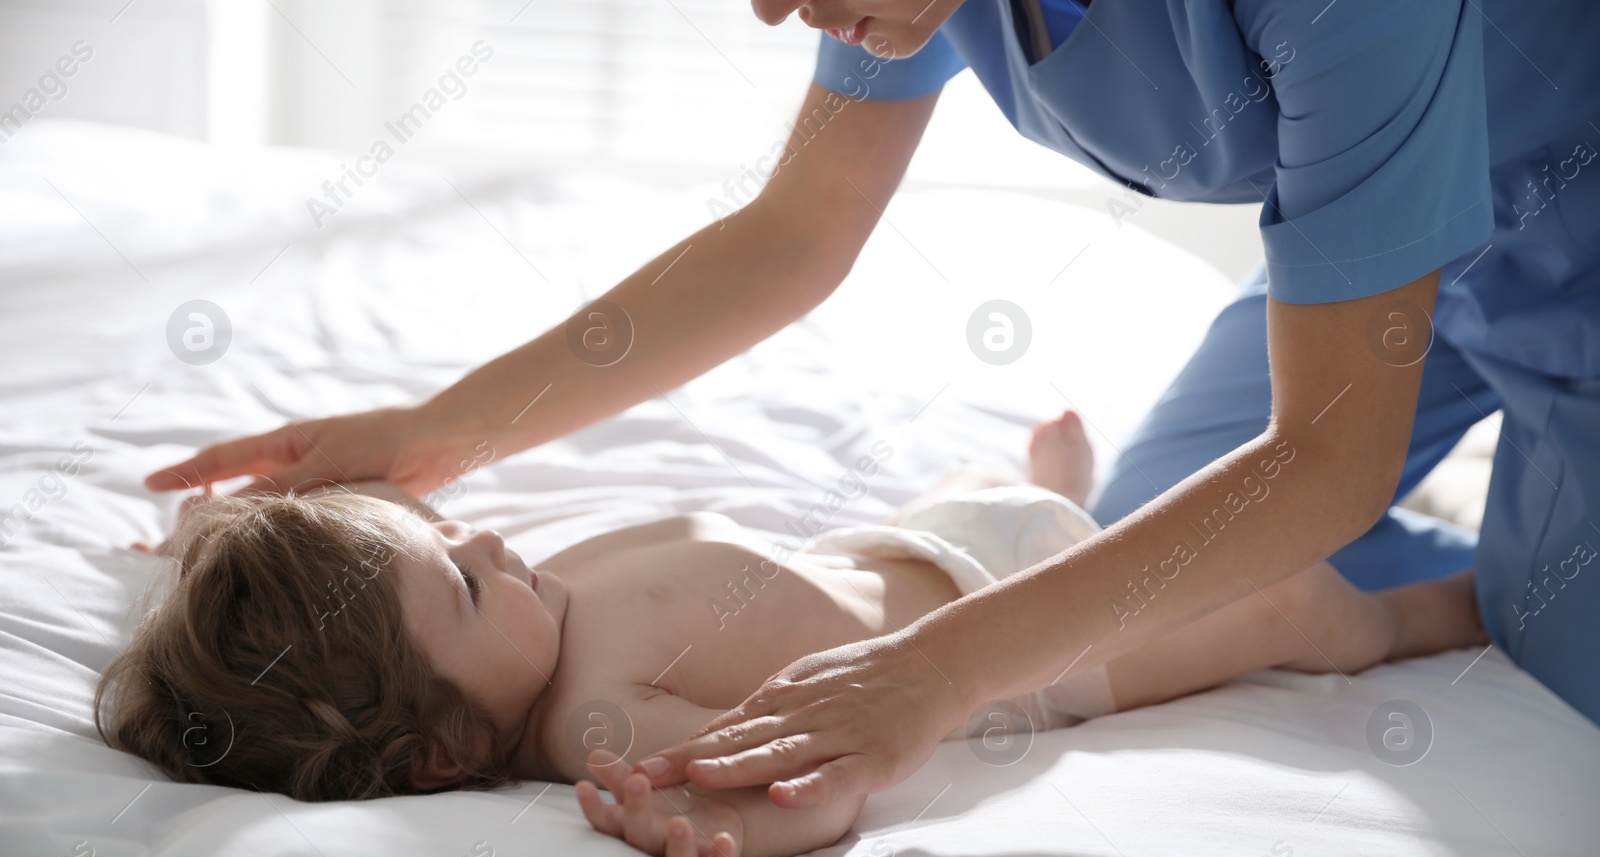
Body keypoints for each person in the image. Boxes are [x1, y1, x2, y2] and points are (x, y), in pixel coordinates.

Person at [146, 0, 1600, 812]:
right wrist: (433, 438)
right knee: (1151, 541)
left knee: (1512, 617)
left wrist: (939, 675)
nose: (780, 8)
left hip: (1563, 235)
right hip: (1394, 261)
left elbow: (1327, 459)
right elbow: (796, 234)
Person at [105, 413, 1480, 857]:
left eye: (448, 536)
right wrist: (739, 835)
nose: (483, 544)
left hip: (917, 542)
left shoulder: (498, 627)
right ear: (447, 748)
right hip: (1031, 636)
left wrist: (218, 553)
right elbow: (797, 781)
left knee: (1051, 505)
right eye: (463, 587)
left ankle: (1063, 483)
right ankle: (1451, 610)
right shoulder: (595, 726)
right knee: (1304, 608)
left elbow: (392, 561)